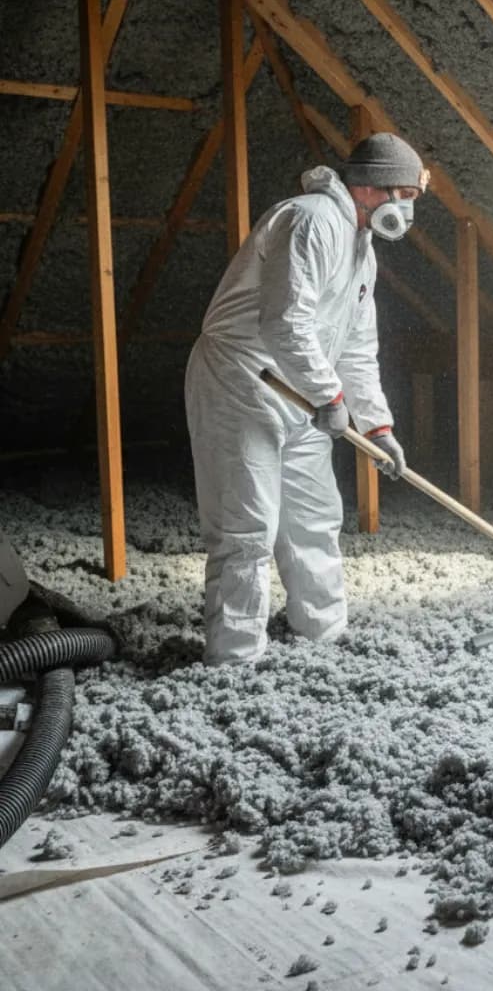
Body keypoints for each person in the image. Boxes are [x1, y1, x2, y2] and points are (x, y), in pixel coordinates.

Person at [185, 133, 427, 666]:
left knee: (315, 515)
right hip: (243, 382)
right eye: (404, 195)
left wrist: (378, 428)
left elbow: (357, 348)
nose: (407, 210)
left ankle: (322, 629)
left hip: (303, 393)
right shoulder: (311, 220)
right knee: (247, 524)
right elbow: (286, 323)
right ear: (371, 189)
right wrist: (328, 394)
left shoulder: (361, 250)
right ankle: (236, 656)